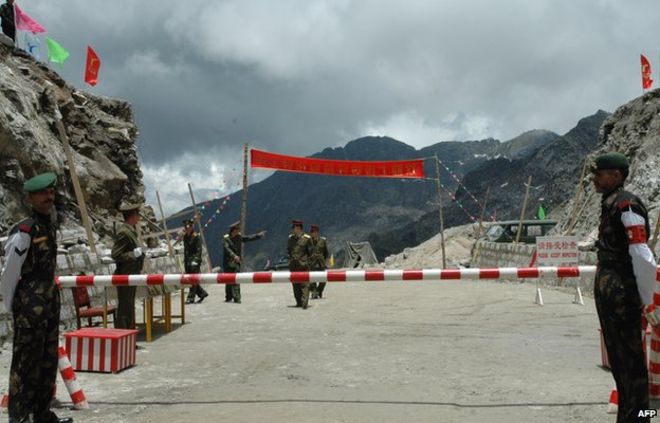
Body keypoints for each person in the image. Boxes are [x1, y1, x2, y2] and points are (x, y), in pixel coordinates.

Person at [0, 172, 73, 423]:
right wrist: (11, 305)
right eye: (43, 193)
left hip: (49, 299)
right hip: (30, 301)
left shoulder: (49, 225)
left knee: (47, 359)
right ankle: (20, 417)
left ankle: (42, 414)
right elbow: (9, 272)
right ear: (30, 197)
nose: (49, 197)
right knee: (25, 362)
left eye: (51, 192)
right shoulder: (24, 230)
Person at [591, 152, 658, 422]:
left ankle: (642, 417)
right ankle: (629, 415)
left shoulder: (627, 205)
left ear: (616, 175)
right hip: (611, 288)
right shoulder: (611, 204)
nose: (595, 178)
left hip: (622, 290)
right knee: (618, 360)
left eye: (600, 173)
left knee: (631, 361)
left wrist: (646, 298)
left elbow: (642, 254)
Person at [111, 203, 145, 329]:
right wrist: (133, 255)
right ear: (132, 216)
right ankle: (122, 335)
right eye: (138, 215)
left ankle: (128, 336)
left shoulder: (131, 231)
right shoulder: (124, 232)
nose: (139, 218)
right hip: (125, 274)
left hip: (131, 274)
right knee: (125, 307)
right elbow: (115, 254)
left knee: (129, 306)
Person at [222, 221, 266, 303]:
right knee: (228, 280)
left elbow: (248, 238)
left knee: (236, 279)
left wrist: (258, 236)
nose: (239, 230)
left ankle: (237, 297)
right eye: (238, 229)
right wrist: (234, 256)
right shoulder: (226, 238)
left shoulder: (239, 237)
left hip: (236, 262)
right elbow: (227, 249)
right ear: (233, 230)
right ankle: (228, 296)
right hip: (228, 262)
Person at [287, 220, 313, 309]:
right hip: (293, 265)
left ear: (298, 228)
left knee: (305, 284)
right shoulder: (290, 238)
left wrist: (307, 262)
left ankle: (304, 302)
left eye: (294, 228)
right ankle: (299, 302)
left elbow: (310, 252)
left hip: (303, 265)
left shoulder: (307, 239)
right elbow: (289, 251)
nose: (293, 230)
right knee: (295, 285)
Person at [183, 219, 208, 304]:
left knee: (193, 280)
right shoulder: (185, 236)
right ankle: (202, 293)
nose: (187, 228)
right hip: (187, 261)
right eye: (185, 227)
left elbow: (199, 250)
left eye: (188, 227)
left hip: (194, 261)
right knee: (190, 280)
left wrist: (195, 260)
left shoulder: (196, 236)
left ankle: (190, 298)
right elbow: (186, 250)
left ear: (192, 227)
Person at [309, 224, 329, 299]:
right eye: (312, 232)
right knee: (311, 280)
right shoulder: (308, 241)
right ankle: (314, 292)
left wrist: (326, 260)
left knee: (323, 279)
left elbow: (326, 252)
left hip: (321, 263)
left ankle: (319, 291)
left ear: (317, 232)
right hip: (312, 263)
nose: (313, 233)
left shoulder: (322, 241)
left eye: (314, 232)